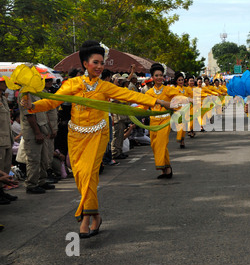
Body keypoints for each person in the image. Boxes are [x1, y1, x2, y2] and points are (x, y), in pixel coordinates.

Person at [21, 40, 171, 238]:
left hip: (98, 134)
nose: (100, 67)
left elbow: (128, 95)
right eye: (95, 62)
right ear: (85, 63)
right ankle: (96, 214)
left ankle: (85, 218)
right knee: (81, 175)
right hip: (75, 136)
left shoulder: (105, 87)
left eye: (102, 63)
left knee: (90, 173)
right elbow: (52, 102)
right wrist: (31, 106)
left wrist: (159, 101)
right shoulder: (72, 84)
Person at [144, 63, 188, 179]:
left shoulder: (168, 90)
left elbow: (181, 100)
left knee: (161, 143)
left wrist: (171, 106)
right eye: (156, 75)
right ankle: (166, 169)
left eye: (161, 75)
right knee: (154, 145)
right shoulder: (148, 93)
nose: (159, 78)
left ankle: (163, 167)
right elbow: (142, 106)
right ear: (152, 77)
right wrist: (131, 112)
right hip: (153, 122)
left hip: (165, 120)